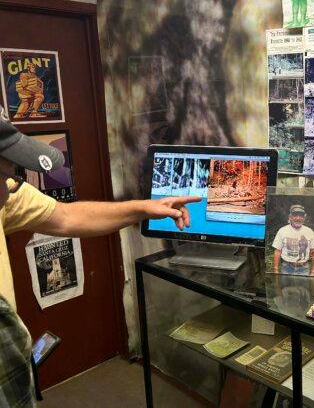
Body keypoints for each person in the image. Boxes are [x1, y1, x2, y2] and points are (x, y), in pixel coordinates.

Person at [0, 118, 201, 406]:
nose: (8, 189)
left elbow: (68, 217)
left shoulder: (7, 195)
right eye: (1, 172)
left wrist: (144, 208)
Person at [272, 205, 314, 276]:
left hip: (304, 269)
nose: (298, 218)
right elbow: (277, 251)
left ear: (304, 217)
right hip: (286, 268)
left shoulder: (309, 231)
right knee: (285, 287)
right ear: (290, 217)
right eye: (295, 215)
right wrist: (276, 269)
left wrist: (313, 269)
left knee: (303, 287)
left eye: (301, 216)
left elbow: (313, 251)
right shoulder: (282, 231)